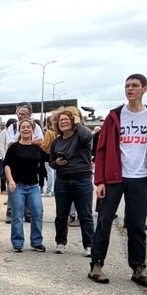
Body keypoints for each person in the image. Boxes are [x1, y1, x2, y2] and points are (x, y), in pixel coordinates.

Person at [88, 73, 147, 286]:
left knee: (136, 225)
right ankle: (96, 265)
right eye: (127, 86)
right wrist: (100, 181)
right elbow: (102, 149)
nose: (130, 89)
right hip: (115, 176)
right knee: (104, 221)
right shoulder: (114, 116)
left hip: (140, 177)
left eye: (134, 86)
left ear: (144, 89)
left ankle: (138, 268)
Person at [50, 108, 96, 255]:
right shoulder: (56, 142)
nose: (63, 122)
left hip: (82, 179)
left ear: (73, 121)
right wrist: (57, 162)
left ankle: (89, 245)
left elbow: (88, 137)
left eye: (66, 119)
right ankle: (60, 242)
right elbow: (51, 162)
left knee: (85, 214)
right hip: (62, 180)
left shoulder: (81, 136)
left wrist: (78, 123)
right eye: (60, 120)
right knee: (61, 215)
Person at [5, 120, 48, 252]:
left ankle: (36, 242)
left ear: (32, 130)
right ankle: (18, 243)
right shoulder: (13, 147)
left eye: (28, 127)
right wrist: (10, 181)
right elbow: (7, 165)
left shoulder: (37, 148)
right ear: (20, 130)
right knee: (17, 215)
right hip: (17, 186)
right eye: (23, 127)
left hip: (33, 186)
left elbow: (49, 158)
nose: (26, 129)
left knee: (38, 212)